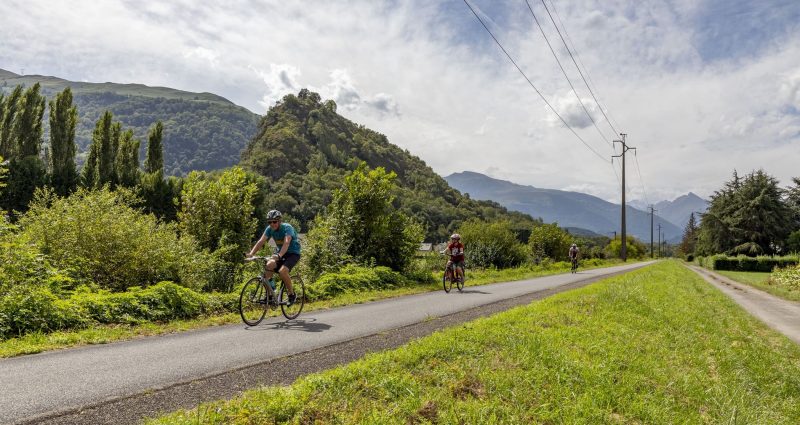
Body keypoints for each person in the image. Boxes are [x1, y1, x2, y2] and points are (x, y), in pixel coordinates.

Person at [246, 210, 301, 305]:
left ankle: (291, 294)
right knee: (268, 265)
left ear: (279, 221)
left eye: (274, 221)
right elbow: (261, 241)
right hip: (280, 253)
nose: (272, 224)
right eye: (269, 222)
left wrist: (279, 255)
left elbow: (286, 242)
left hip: (293, 253)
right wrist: (251, 254)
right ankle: (270, 295)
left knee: (282, 271)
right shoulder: (269, 229)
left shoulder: (287, 228)